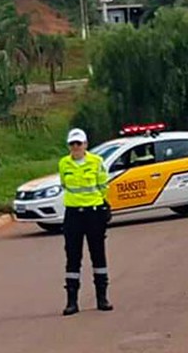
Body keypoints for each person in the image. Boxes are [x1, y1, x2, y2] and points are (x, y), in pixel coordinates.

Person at [58, 128, 113, 316]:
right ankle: (72, 301)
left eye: (79, 144)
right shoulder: (64, 163)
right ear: (69, 146)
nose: (76, 147)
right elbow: (65, 185)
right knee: (73, 257)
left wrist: (100, 205)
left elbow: (103, 186)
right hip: (73, 214)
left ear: (85, 145)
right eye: (72, 144)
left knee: (98, 254)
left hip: (94, 213)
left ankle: (102, 298)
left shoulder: (96, 162)